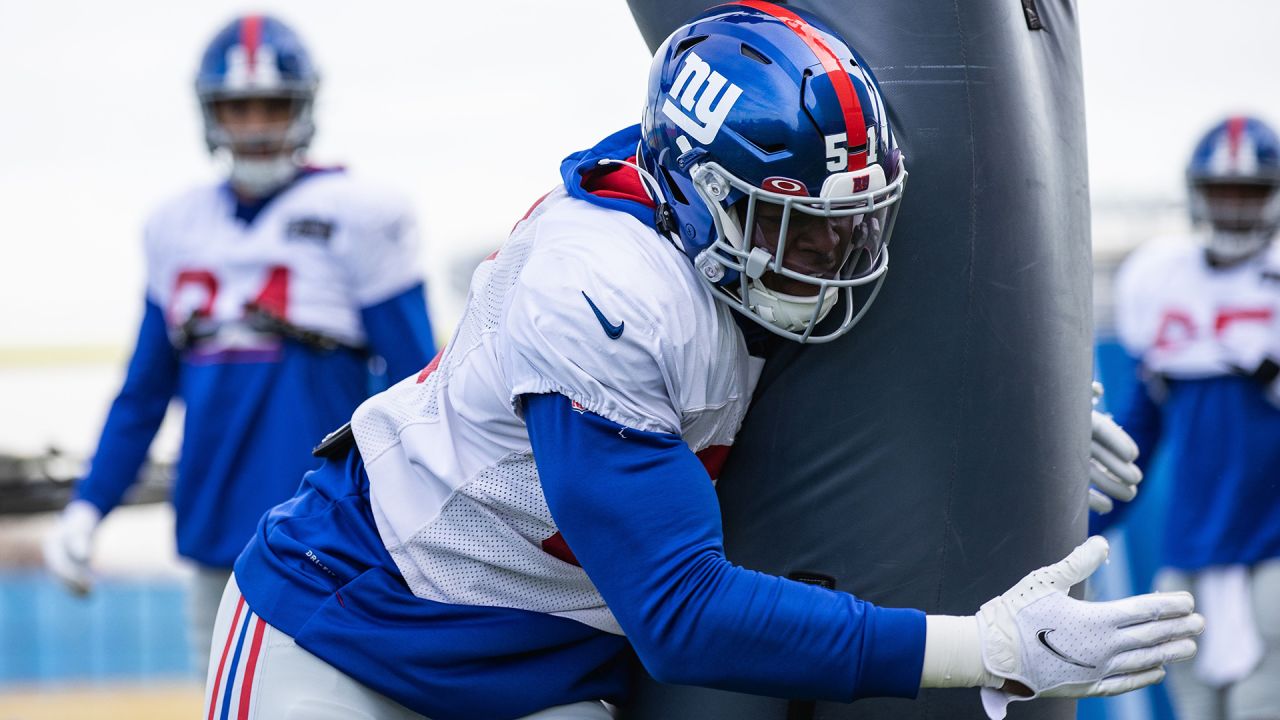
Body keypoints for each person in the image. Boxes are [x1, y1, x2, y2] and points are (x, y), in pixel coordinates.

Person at [204, 4, 1198, 719]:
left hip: (551, 661)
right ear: (701, 197)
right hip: (361, 618)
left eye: (853, 230)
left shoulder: (730, 229)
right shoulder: (606, 291)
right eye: (800, 233)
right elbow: (682, 614)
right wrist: (975, 649)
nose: (835, 266)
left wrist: (1033, 407)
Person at [42, 14, 435, 676]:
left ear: (303, 106)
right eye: (238, 107)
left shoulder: (362, 212)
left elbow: (420, 382)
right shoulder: (176, 225)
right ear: (211, 113)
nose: (255, 126)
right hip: (215, 525)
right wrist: (89, 504)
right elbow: (142, 394)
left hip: (329, 534)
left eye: (272, 106)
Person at [1113, 115, 1280, 720]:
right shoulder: (1160, 278)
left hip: (1272, 539)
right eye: (1222, 191)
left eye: (1250, 192)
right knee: (1193, 706)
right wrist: (1086, 518)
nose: (1234, 207)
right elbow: (1140, 427)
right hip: (1192, 540)